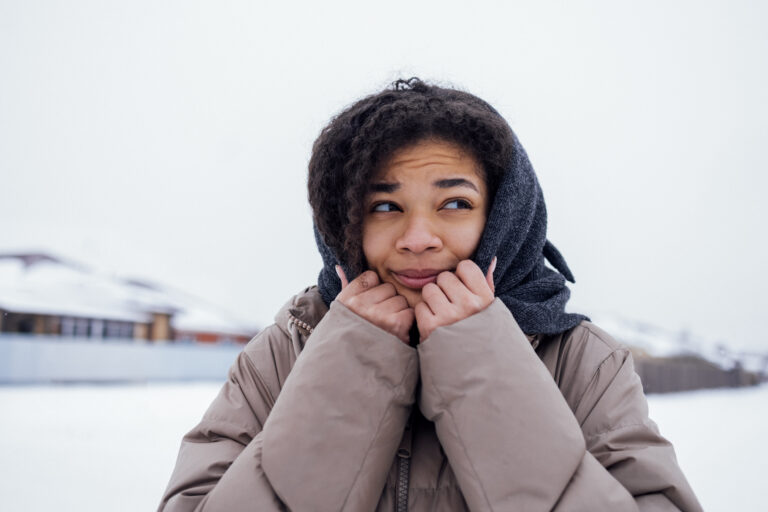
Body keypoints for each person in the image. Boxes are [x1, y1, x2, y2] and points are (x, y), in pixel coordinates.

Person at [158, 78, 702, 511]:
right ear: (343, 224)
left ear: (505, 217)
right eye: (386, 207)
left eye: (456, 204)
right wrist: (350, 368)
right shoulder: (284, 351)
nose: (418, 239)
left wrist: (482, 359)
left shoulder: (583, 360)